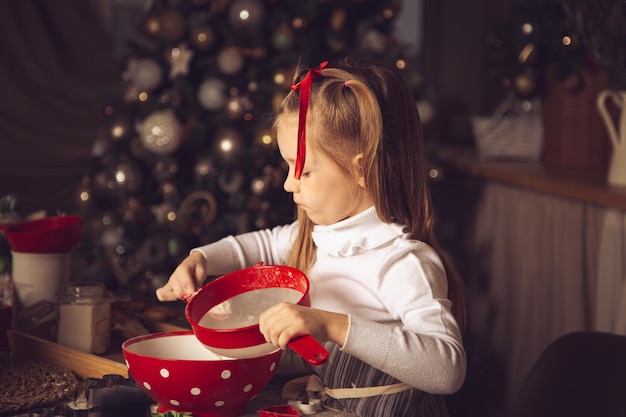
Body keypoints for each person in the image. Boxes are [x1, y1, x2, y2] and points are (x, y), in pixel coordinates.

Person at [156, 56, 466, 417]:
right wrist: (202, 259)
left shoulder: (401, 262)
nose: (289, 183)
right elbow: (259, 244)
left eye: (303, 169)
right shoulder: (317, 236)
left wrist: (330, 324)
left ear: (360, 168)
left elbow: (448, 371)